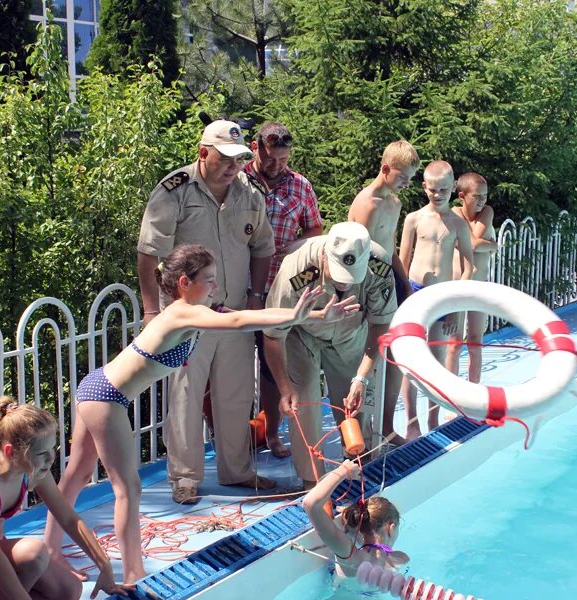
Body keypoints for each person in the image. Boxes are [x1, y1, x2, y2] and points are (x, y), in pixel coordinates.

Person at [45, 244, 358, 582]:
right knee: (128, 489)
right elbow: (239, 321)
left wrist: (315, 317)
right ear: (184, 282)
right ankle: (133, 576)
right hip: (106, 397)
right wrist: (296, 315)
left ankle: (51, 553)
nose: (214, 285)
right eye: (208, 279)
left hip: (99, 388)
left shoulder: (199, 310)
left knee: (76, 476)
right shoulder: (182, 313)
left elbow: (245, 316)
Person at [135, 119, 277, 507]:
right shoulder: (174, 191)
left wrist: (255, 296)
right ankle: (184, 478)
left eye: (239, 159)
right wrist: (151, 310)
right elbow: (148, 254)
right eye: (225, 159)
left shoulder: (249, 192)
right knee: (185, 395)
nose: (234, 167)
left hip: (232, 312)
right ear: (203, 153)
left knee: (235, 394)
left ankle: (238, 471)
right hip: (187, 317)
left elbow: (263, 246)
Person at [0, 396, 133, 600]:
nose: (51, 458)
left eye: (52, 449)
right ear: (11, 451)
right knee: (33, 553)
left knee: (69, 590)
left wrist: (105, 567)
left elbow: (69, 519)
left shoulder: (33, 470)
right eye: (42, 453)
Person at [264, 222, 397, 488]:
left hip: (350, 333)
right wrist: (284, 386)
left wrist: (362, 376)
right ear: (325, 256)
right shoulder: (297, 268)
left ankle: (359, 466)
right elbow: (273, 334)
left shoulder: (378, 262)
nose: (344, 285)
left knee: (356, 402)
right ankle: (313, 482)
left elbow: (382, 323)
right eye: (338, 277)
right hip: (301, 334)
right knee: (304, 404)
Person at [244, 121, 324, 458]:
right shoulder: (237, 180)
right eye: (270, 159)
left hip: (279, 288)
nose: (277, 166)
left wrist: (294, 246)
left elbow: (316, 228)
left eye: (283, 159)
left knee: (272, 366)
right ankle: (233, 438)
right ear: (255, 147)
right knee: (227, 369)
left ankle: (273, 434)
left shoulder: (300, 186)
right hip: (237, 287)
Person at [348, 140, 421, 447]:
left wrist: (403, 282)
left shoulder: (394, 203)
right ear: (385, 168)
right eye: (402, 178)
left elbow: (389, 248)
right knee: (365, 357)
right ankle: (360, 434)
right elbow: (357, 252)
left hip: (386, 280)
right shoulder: (367, 203)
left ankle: (388, 426)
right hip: (363, 285)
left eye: (409, 180)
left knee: (392, 357)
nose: (405, 185)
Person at [398, 161, 475, 438]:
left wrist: (455, 306)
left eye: (444, 189)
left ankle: (433, 419)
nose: (438, 194)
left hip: (443, 296)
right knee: (410, 361)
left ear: (453, 188)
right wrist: (404, 297)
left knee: (436, 360)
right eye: (433, 189)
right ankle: (411, 422)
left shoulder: (457, 224)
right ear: (424, 187)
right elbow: (403, 261)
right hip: (416, 291)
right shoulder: (414, 219)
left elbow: (468, 267)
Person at [302, 460, 408, 584]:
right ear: (391, 528)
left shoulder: (350, 556)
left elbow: (310, 504)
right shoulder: (400, 559)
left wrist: (342, 471)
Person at [446, 172, 497, 385]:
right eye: (477, 196)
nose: (482, 200)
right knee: (454, 343)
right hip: (457, 286)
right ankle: (451, 394)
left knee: (476, 342)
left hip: (480, 287)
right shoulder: (453, 213)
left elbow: (471, 242)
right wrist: (492, 245)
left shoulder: (487, 212)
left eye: (484, 195)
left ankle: (474, 392)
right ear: (461, 196)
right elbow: (475, 244)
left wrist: (477, 243)